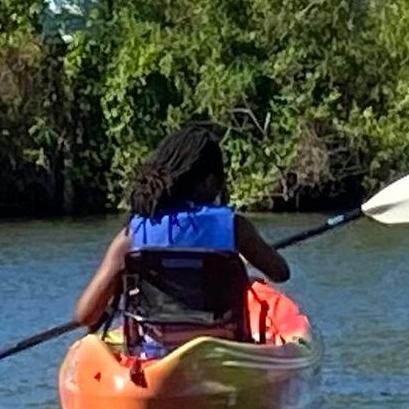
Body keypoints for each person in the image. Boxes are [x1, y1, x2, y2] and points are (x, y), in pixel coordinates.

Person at [70, 119, 292, 347]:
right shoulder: (235, 227)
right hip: (224, 353)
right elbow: (281, 272)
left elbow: (85, 315)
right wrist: (244, 257)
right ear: (209, 182)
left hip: (157, 355)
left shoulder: (133, 234)